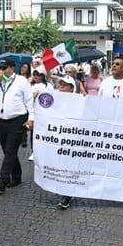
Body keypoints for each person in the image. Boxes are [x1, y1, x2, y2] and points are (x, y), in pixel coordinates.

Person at [0, 59, 34, 193]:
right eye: (0, 67)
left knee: (10, 150)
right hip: (1, 121)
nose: (1, 70)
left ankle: (3, 179)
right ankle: (17, 177)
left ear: (12, 68)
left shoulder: (21, 81)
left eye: (4, 67)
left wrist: (31, 118)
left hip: (17, 120)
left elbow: (29, 100)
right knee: (8, 151)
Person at [54, 77, 79, 210]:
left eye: (65, 85)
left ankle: (66, 195)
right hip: (57, 138)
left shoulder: (79, 101)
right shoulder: (55, 99)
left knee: (68, 165)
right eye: (60, 84)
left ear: (72, 88)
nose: (61, 86)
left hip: (72, 139)